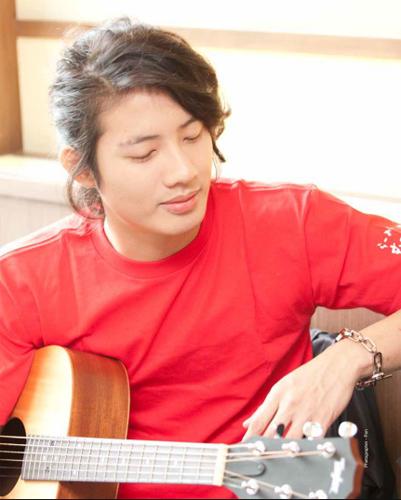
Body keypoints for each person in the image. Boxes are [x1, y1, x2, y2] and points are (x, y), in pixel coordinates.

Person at [0, 17, 400, 499]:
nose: (184, 171)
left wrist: (348, 357)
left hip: (279, 482)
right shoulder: (19, 283)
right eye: (144, 154)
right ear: (82, 169)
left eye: (192, 137)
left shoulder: (292, 220)